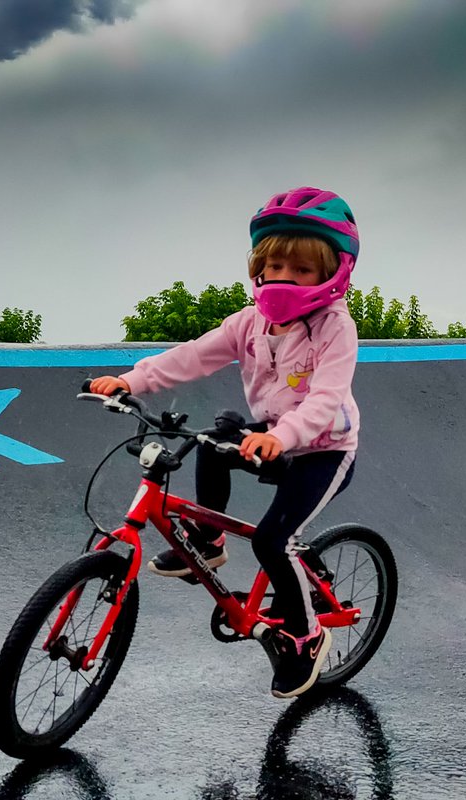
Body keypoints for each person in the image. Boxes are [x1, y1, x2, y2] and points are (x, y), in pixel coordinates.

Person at [89, 186, 360, 699]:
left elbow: (325, 400)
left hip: (323, 450)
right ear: (259, 268)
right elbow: (190, 358)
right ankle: (209, 544)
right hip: (271, 437)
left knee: (270, 541)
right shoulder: (249, 322)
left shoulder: (335, 329)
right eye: (276, 266)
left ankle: (306, 637)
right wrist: (131, 380)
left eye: (302, 269)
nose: (285, 278)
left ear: (334, 272)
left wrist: (281, 436)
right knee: (214, 437)